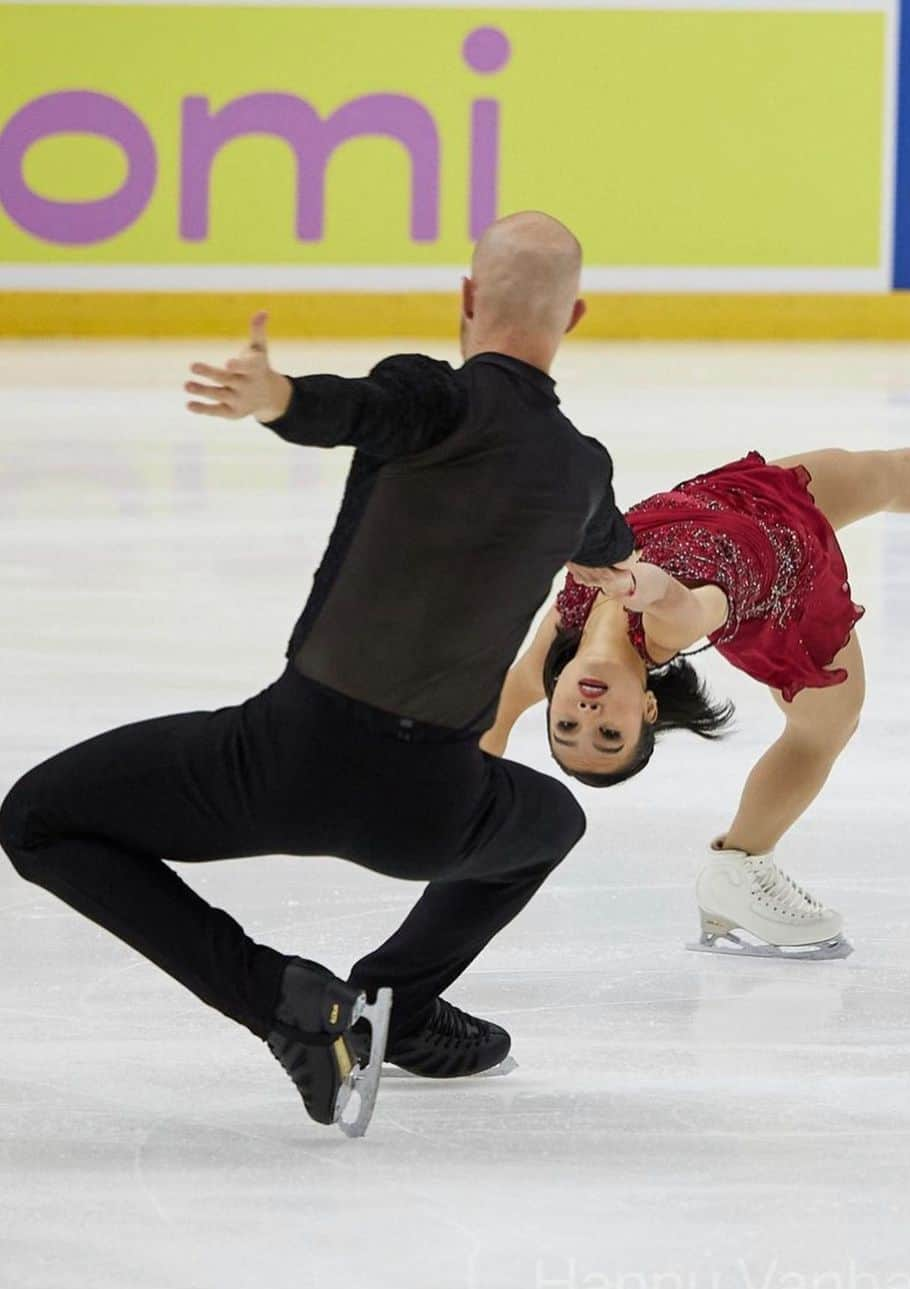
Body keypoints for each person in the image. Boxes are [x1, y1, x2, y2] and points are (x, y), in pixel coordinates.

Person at [0, 211, 636, 1134]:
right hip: (429, 810)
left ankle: (286, 1003)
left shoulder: (429, 395)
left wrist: (277, 396)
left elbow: (358, 410)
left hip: (280, 761)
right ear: (575, 317)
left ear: (465, 299)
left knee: (37, 820)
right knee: (548, 824)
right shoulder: (583, 469)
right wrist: (624, 574)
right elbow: (607, 547)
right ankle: (398, 1004)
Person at [481, 385, 910, 958]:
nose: (587, 719)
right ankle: (740, 863)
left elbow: (492, 723)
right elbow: (690, 606)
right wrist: (641, 584)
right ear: (646, 709)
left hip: (737, 499)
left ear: (555, 699)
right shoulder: (667, 629)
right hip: (783, 587)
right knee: (827, 729)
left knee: (884, 472)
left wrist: (467, 803)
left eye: (567, 730)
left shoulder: (555, 645)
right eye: (609, 734)